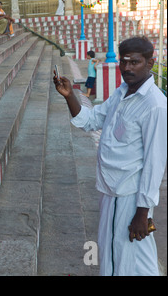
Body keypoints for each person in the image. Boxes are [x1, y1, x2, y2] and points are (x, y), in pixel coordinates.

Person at [53, 36, 167, 276]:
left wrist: (142, 212)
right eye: (123, 62)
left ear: (150, 63)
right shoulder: (122, 92)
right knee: (138, 257)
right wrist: (70, 95)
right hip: (111, 189)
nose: (127, 68)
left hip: (128, 195)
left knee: (117, 258)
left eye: (134, 62)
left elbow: (155, 163)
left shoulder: (155, 105)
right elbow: (93, 120)